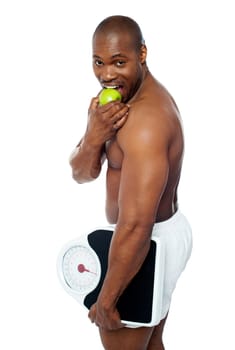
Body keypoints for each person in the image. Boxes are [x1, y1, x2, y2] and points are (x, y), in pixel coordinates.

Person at [69, 15, 192, 350]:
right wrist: (94, 137)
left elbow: (138, 223)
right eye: (99, 62)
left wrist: (108, 300)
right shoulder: (111, 106)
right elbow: (80, 173)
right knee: (151, 344)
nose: (107, 74)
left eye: (119, 62)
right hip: (142, 237)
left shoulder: (146, 122)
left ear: (142, 54)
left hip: (147, 242)